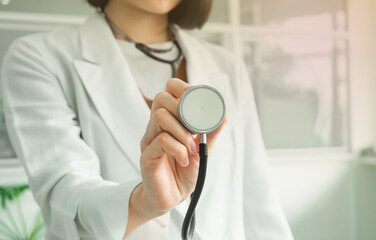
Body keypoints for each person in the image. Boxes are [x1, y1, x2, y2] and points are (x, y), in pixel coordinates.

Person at [1, 0, 293, 239]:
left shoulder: (226, 64)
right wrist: (144, 202)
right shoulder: (38, 58)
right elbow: (64, 198)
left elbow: (257, 198)